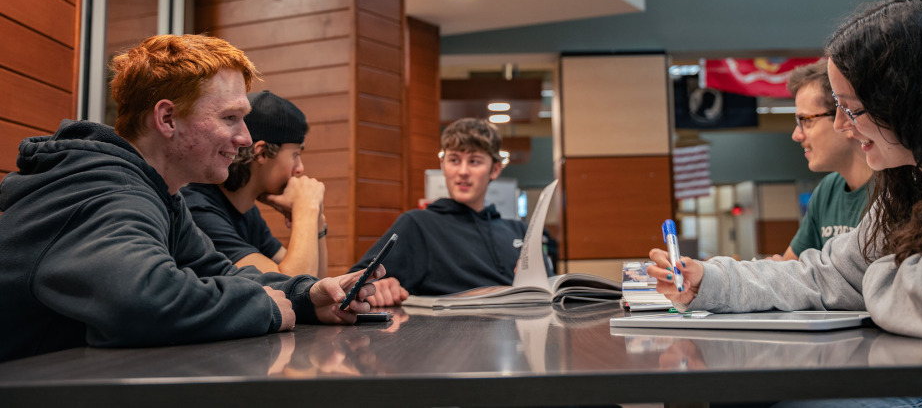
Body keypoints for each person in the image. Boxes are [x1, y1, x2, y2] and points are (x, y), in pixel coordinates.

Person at [649, 0, 922, 407]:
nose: (841, 125)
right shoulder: (913, 180)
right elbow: (825, 274)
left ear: (911, 101)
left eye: (851, 109)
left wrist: (873, 277)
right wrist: (712, 280)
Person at [0, 34, 380, 362]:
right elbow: (139, 300)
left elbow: (221, 273)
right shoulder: (105, 189)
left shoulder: (160, 194)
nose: (245, 138)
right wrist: (261, 305)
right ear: (167, 119)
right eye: (230, 118)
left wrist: (307, 295)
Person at [350, 118, 552, 306]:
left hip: (517, 336)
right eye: (454, 160)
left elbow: (549, 290)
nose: (462, 171)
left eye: (474, 161)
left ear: (495, 169)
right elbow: (353, 285)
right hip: (446, 338)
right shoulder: (417, 224)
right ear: (443, 166)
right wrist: (378, 287)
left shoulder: (519, 230)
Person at [181, 90, 328, 278]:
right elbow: (295, 287)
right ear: (262, 153)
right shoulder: (199, 211)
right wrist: (306, 209)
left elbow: (318, 289)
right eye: (295, 155)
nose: (299, 168)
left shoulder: (247, 212)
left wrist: (318, 222)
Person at [779, 60, 873, 260]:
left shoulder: (897, 192)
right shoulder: (828, 190)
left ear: (847, 119)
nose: (797, 135)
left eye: (806, 121)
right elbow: (788, 267)